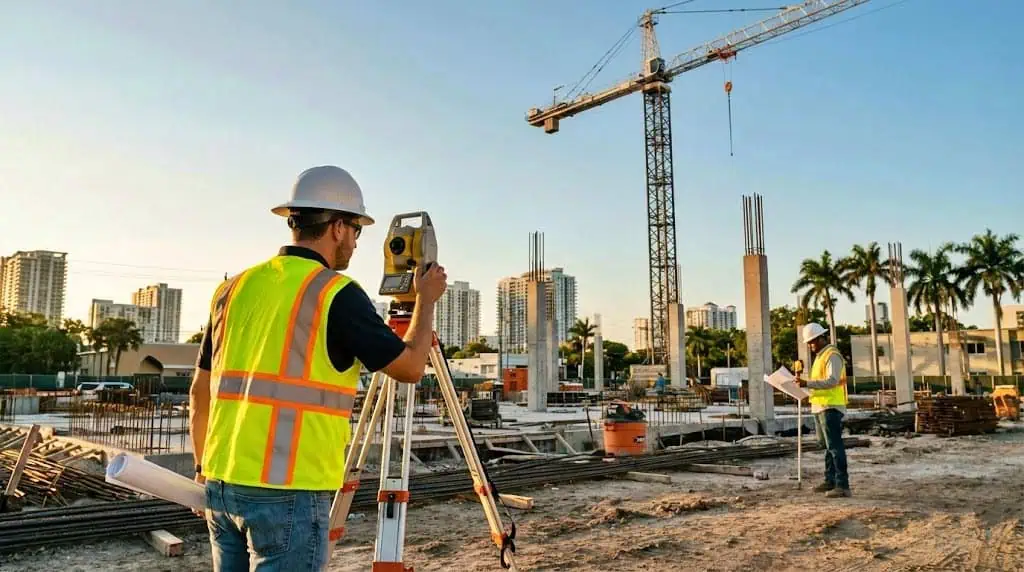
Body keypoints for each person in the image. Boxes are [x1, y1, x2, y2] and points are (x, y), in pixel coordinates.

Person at [188, 165, 448, 571]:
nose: (358, 244)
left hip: (221, 483)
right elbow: (412, 367)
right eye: (358, 231)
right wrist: (426, 300)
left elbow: (199, 392)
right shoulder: (335, 293)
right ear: (339, 227)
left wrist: (203, 469)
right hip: (290, 491)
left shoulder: (232, 289)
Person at [794, 322, 850, 498]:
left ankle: (842, 485)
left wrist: (807, 383)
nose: (810, 345)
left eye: (812, 342)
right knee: (826, 446)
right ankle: (830, 480)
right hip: (820, 406)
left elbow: (832, 381)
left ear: (821, 338)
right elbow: (820, 383)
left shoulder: (832, 355)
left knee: (834, 446)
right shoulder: (820, 356)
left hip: (830, 406)